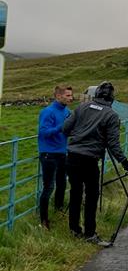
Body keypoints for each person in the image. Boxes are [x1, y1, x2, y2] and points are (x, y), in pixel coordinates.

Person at [63, 81, 128, 246]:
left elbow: (65, 128)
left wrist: (80, 135)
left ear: (96, 95)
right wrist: (126, 164)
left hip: (72, 156)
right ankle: (89, 234)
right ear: (112, 98)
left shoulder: (81, 107)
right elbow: (113, 145)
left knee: (75, 193)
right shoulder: (111, 115)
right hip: (90, 159)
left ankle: (74, 230)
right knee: (91, 196)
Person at [37, 85, 74, 229]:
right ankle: (44, 221)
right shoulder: (47, 112)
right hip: (49, 154)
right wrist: (62, 127)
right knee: (49, 187)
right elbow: (44, 132)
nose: (71, 98)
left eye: (71, 95)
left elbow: (68, 130)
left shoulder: (68, 112)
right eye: (68, 95)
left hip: (62, 152)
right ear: (58, 96)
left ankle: (58, 211)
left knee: (62, 184)